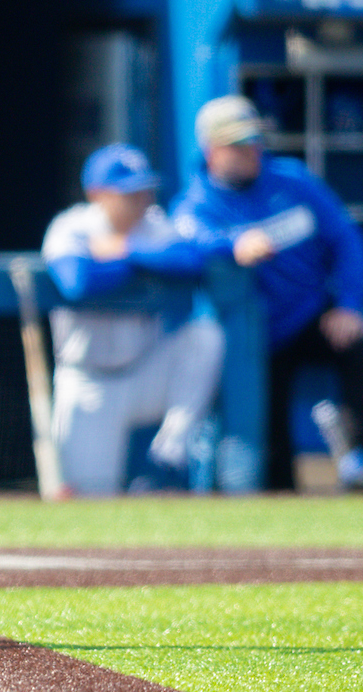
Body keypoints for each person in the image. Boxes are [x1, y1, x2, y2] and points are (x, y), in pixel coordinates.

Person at [168, 95, 363, 493]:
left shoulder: (293, 180)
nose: (250, 151)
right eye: (236, 144)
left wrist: (349, 304)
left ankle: (356, 460)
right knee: (274, 459)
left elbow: (346, 239)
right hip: (254, 341)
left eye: (254, 141)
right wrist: (233, 244)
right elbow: (187, 237)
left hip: (309, 314)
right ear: (211, 152)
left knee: (354, 344)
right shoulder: (198, 202)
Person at [40, 143, 227, 496]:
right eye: (128, 193)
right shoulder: (71, 226)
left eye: (144, 190)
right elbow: (77, 282)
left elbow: (192, 260)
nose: (141, 200)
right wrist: (140, 264)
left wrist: (127, 250)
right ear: (96, 194)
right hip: (88, 382)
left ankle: (171, 448)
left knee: (205, 336)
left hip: (145, 369)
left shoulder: (152, 225)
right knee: (89, 500)